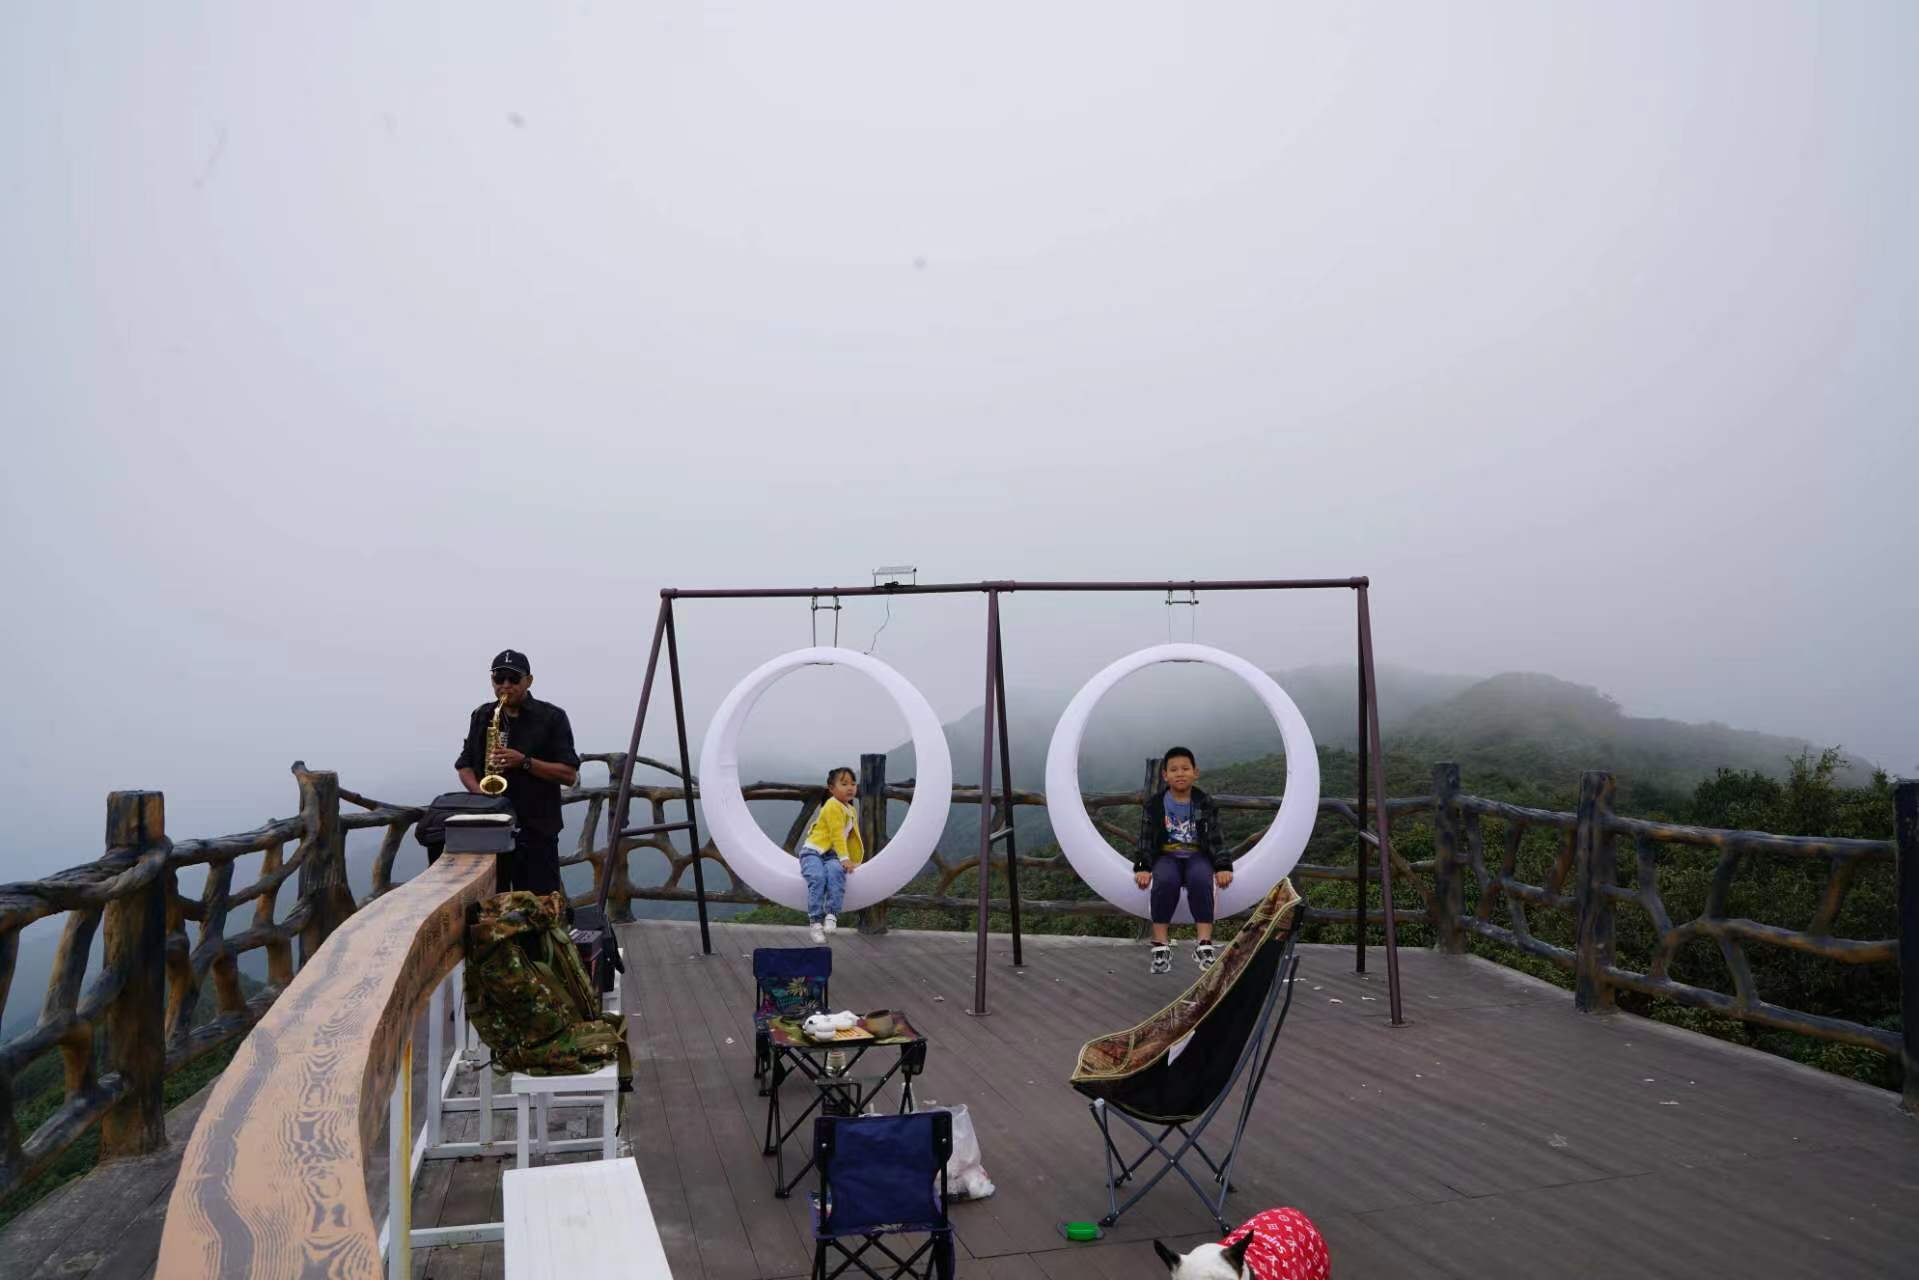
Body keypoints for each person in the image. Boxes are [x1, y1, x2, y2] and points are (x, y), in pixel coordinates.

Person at [455, 649, 581, 896]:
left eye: (513, 679)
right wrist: (479, 791)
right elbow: (464, 765)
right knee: (491, 905)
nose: (505, 686)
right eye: (498, 679)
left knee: (542, 904)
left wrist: (524, 762)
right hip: (492, 829)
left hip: (537, 829)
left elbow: (568, 774)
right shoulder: (483, 715)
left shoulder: (552, 717)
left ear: (528, 681)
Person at [1133, 746, 1232, 974]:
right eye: (1174, 769)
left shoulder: (1204, 802)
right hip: (1166, 856)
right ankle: (1160, 946)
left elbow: (1217, 838)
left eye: (1185, 768)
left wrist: (1223, 865)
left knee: (1200, 879)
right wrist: (1142, 867)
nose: (1180, 773)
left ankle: (1204, 944)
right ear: (1164, 775)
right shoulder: (1155, 805)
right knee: (1165, 881)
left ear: (1195, 773)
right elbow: (1145, 840)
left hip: (1198, 855)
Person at [798, 766, 864, 943]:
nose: (850, 787)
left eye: (853, 783)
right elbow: (836, 834)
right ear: (831, 788)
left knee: (836, 874)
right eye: (844, 784)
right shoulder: (833, 805)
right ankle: (815, 923)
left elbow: (850, 837)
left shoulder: (850, 809)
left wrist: (851, 859)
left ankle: (831, 915)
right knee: (818, 878)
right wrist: (845, 859)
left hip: (833, 855)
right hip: (813, 852)